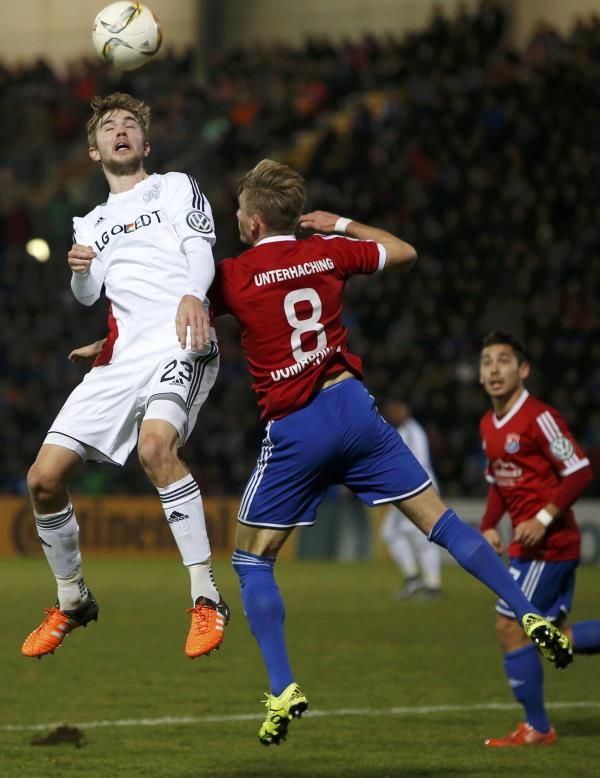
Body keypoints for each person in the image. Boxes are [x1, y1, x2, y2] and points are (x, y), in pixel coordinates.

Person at [69, 162, 575, 746]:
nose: (235, 219)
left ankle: (283, 687)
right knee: (441, 523)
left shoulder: (233, 275)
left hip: (298, 428)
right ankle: (523, 606)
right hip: (354, 410)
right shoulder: (327, 252)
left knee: (252, 562)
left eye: (239, 212)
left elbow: (170, 320)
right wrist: (341, 223)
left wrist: (108, 345)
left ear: (254, 223)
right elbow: (404, 252)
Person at [21, 93, 229, 661]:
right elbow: (90, 296)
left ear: (146, 143)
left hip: (181, 340)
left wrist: (194, 294)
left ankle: (206, 597)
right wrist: (79, 272)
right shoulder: (90, 222)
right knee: (42, 479)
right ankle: (72, 598)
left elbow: (199, 250)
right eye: (109, 126)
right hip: (120, 359)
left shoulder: (175, 187)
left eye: (131, 124)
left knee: (155, 448)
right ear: (93, 151)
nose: (121, 130)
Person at [478, 331, 599, 747]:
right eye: (487, 362)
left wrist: (544, 518)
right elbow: (498, 482)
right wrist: (489, 525)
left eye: (504, 360)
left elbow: (579, 471)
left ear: (523, 369)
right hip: (530, 548)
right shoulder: (488, 425)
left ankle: (538, 728)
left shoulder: (539, 417)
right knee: (552, 636)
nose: (495, 369)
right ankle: (538, 728)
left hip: (549, 547)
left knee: (510, 625)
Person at [380, 399, 442, 599]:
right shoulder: (405, 430)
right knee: (390, 533)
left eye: (394, 410)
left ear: (404, 410)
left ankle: (432, 586)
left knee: (420, 537)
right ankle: (415, 580)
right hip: (409, 487)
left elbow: (418, 462)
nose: (390, 414)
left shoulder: (412, 431)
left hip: (417, 487)